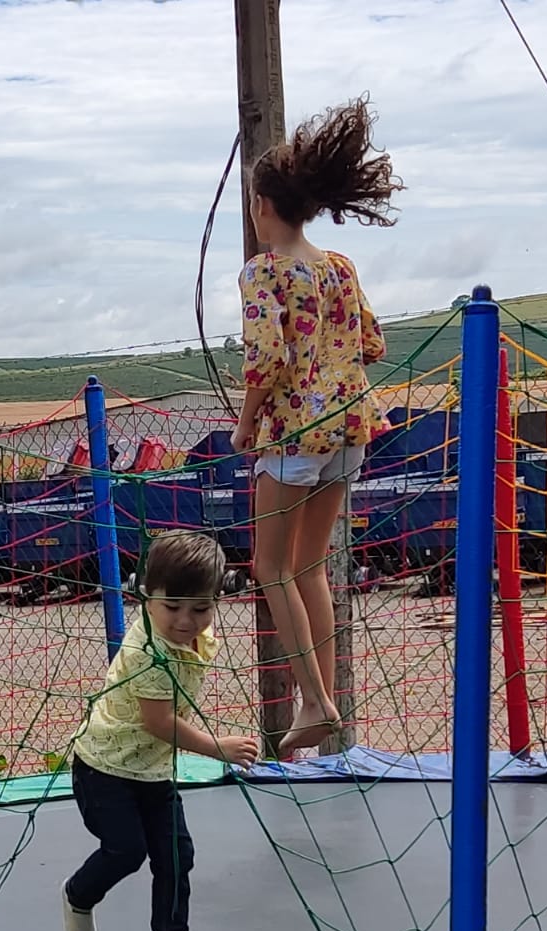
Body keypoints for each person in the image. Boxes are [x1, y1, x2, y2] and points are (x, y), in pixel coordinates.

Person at [231, 97, 402, 756]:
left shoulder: (261, 272)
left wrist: (247, 427)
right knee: (310, 569)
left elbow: (266, 359)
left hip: (292, 432)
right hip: (349, 426)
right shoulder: (339, 266)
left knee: (269, 567)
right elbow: (372, 342)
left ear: (263, 207)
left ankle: (319, 700)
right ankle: (318, 703)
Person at [60, 531, 260, 931]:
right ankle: (77, 894)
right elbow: (160, 722)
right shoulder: (148, 651)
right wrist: (218, 748)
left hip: (152, 770)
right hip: (104, 769)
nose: (186, 621)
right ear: (147, 596)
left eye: (201, 609)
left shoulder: (189, 633)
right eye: (173, 607)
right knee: (127, 850)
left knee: (176, 855)